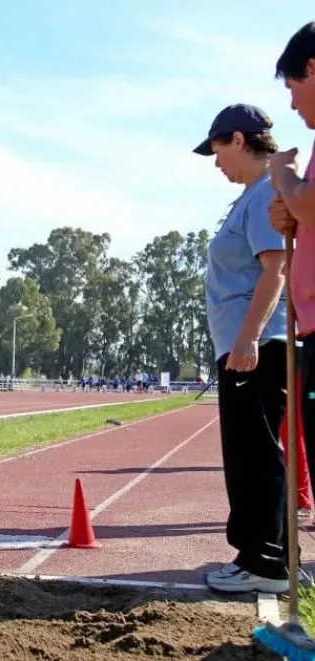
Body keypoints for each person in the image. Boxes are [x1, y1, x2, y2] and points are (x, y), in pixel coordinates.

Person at [195, 104, 290, 594]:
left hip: (255, 346)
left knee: (255, 453)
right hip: (242, 345)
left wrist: (249, 337)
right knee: (247, 452)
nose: (215, 163)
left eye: (216, 150)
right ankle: (256, 555)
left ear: (237, 139)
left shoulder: (263, 197)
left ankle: (266, 562)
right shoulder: (250, 197)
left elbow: (274, 269)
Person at [269, 21, 315, 523]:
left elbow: (309, 203)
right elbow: (306, 210)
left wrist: (282, 175)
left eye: (292, 87)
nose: (291, 103)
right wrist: (291, 211)